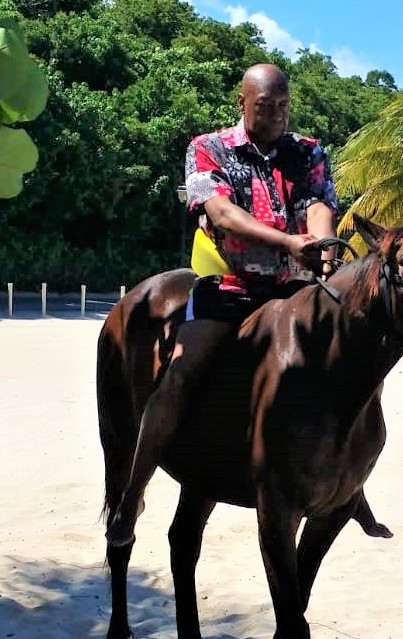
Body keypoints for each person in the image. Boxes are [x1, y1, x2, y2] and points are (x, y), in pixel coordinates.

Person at [105, 63, 339, 547]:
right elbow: (222, 214)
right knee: (180, 375)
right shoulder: (208, 148)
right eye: (263, 107)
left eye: (282, 107)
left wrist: (323, 243)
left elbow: (319, 202)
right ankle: (133, 493)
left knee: (349, 357)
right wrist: (289, 242)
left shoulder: (309, 152)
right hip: (229, 287)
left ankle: (346, 481)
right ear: (242, 102)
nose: (275, 116)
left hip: (294, 289)